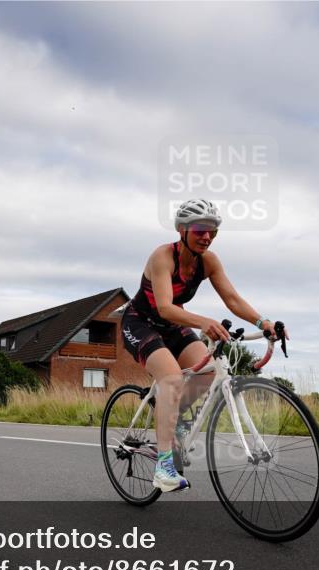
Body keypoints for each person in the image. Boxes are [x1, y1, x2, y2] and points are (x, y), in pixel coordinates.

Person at [121, 198, 287, 492]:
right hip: (141, 323)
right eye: (200, 230)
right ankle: (163, 468)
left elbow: (233, 300)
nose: (207, 236)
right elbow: (164, 307)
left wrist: (263, 322)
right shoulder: (163, 257)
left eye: (213, 230)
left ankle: (174, 421)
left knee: (208, 369)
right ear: (182, 230)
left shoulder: (208, 261)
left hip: (174, 327)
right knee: (171, 377)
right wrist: (203, 322)